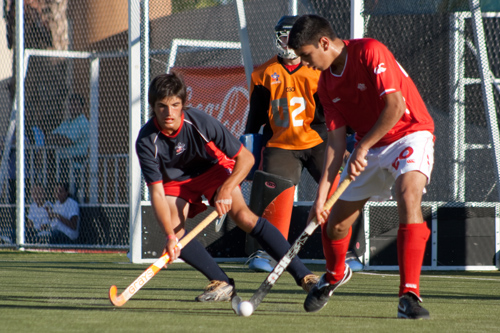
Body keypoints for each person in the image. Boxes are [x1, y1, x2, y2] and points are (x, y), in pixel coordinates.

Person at [288, 15, 435, 319]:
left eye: (306, 55)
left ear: (324, 43)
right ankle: (335, 273)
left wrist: (364, 147)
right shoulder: (326, 84)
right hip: (370, 145)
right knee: (336, 224)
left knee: (408, 195)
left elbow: (394, 107)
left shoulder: (369, 50)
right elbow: (335, 143)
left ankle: (409, 295)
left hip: (410, 133)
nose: (305, 63)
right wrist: (321, 197)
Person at [135, 72, 319, 302]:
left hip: (212, 171)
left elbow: (247, 159)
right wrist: (170, 236)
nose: (169, 113)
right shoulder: (146, 140)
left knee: (244, 217)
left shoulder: (199, 122)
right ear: (153, 106)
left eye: (175, 105)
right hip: (176, 182)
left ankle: (305, 276)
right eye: (162, 106)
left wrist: (225, 189)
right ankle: (221, 282)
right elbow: (157, 193)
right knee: (175, 231)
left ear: (183, 104)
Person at [244, 15, 362, 273]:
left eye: (292, 37)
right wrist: (248, 153)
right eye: (283, 36)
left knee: (341, 191)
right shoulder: (263, 73)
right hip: (282, 143)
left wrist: (352, 137)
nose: (287, 43)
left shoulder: (318, 69)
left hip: (319, 139)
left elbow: (338, 108)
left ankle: (349, 250)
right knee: (273, 193)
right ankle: (267, 250)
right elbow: (254, 121)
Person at [46, 93, 90, 200]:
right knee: (60, 194)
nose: (72, 107)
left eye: (75, 104)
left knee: (73, 195)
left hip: (75, 166)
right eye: (71, 104)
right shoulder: (66, 123)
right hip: (62, 164)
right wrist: (58, 138)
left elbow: (67, 141)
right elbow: (48, 138)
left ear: (81, 106)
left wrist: (58, 138)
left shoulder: (82, 122)